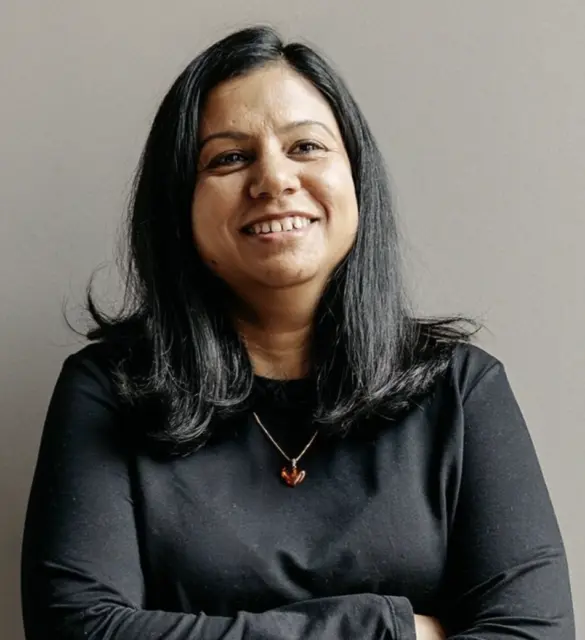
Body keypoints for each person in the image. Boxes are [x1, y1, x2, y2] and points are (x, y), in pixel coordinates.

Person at [21, 25, 574, 640]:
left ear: (356, 176)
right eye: (229, 158)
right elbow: (77, 628)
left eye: (306, 147)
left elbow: (536, 632)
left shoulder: (462, 390)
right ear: (179, 202)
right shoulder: (108, 390)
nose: (274, 180)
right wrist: (390, 627)